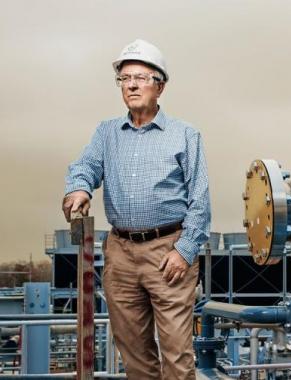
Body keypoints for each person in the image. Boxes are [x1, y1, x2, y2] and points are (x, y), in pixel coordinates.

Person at [62, 39, 210, 379]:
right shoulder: (107, 132)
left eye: (141, 77)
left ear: (161, 85)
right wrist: (80, 188)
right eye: (124, 78)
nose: (131, 85)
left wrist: (184, 251)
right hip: (121, 253)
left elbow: (200, 201)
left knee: (176, 356)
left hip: (168, 251)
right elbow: (85, 165)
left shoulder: (185, 135)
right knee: (134, 356)